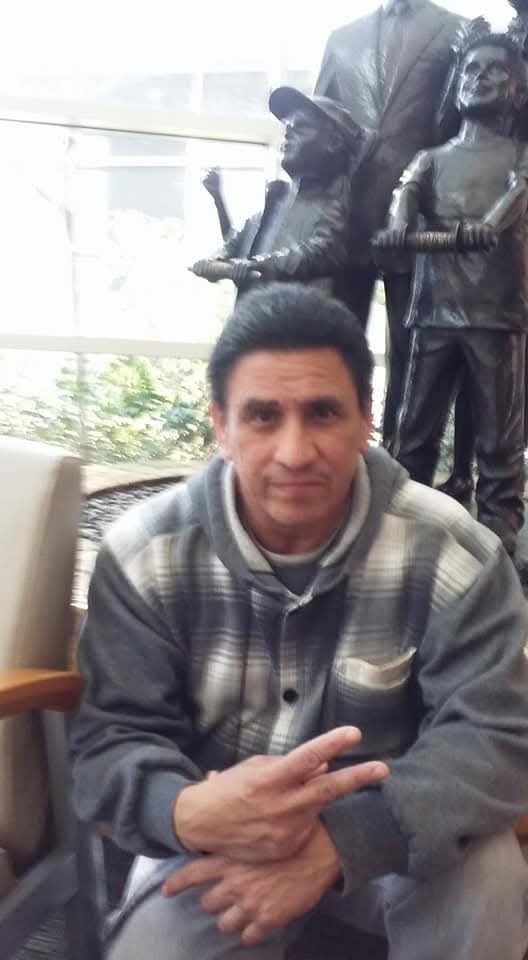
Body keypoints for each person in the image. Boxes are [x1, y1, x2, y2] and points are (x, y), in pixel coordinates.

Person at [70, 282, 528, 960]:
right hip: (219, 841)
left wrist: (338, 841)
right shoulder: (146, 556)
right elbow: (109, 737)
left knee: (488, 877)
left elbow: (495, 735)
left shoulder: (452, 551)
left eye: (323, 413)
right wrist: (182, 808)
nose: (294, 451)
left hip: (403, 834)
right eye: (262, 416)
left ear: (366, 419)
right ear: (220, 427)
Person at [376, 31, 528, 560]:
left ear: (518, 92)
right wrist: (399, 226)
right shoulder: (431, 158)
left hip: (496, 313)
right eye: (470, 69)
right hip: (434, 310)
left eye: (494, 70)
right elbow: (406, 193)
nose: (478, 78)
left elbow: (518, 194)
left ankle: (497, 543)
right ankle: (398, 532)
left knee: (499, 441)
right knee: (413, 432)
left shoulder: (520, 155)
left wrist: (488, 225)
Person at [314, 0, 467, 453]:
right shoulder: (342, 38)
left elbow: (465, 126)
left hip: (422, 215)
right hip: (346, 216)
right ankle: (332, 446)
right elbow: (317, 124)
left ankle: (403, 462)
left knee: (413, 350)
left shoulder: (457, 32)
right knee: (333, 340)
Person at [191, 86, 369, 308]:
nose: (288, 132)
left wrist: (259, 264)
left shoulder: (333, 204)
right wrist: (215, 259)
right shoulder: (273, 205)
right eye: (287, 126)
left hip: (295, 323)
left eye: (301, 126)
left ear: (333, 142)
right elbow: (235, 244)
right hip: (252, 321)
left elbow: (324, 251)